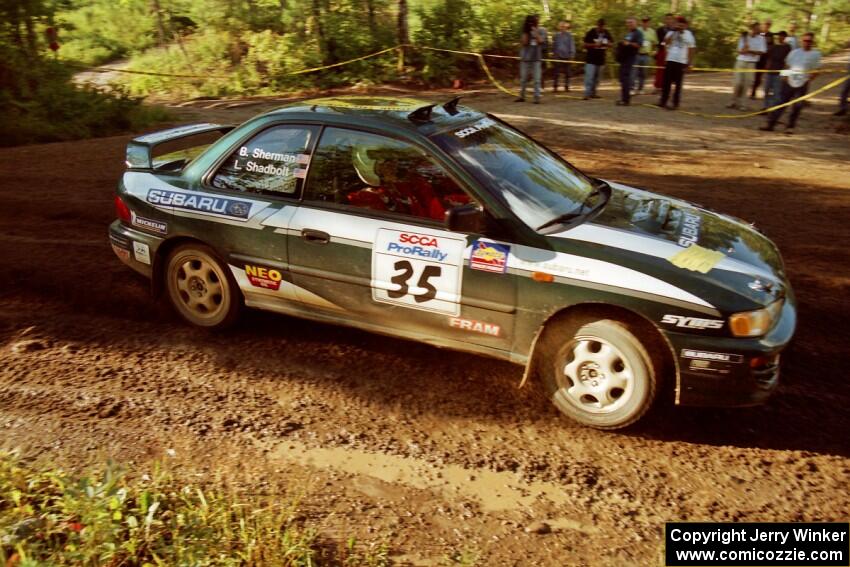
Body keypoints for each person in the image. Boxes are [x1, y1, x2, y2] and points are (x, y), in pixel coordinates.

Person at [761, 32, 821, 133]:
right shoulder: (795, 52)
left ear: (812, 42)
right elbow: (787, 65)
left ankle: (790, 127)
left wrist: (809, 79)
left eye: (809, 41)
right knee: (780, 103)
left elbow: (817, 70)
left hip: (802, 83)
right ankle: (770, 124)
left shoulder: (815, 54)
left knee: (797, 106)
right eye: (805, 40)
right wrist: (784, 76)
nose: (807, 43)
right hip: (789, 81)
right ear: (802, 41)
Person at [658, 16, 695, 110]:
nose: (680, 26)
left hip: (681, 61)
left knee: (678, 84)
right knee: (666, 82)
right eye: (678, 24)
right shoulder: (671, 32)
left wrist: (690, 63)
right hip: (670, 59)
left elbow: (691, 49)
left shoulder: (689, 34)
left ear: (686, 25)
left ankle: (675, 103)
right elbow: (665, 43)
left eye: (682, 24)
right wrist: (674, 31)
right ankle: (663, 101)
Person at [727, 23, 766, 110]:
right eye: (756, 29)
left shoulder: (761, 39)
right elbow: (740, 51)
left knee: (747, 83)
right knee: (737, 83)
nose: (757, 31)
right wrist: (746, 47)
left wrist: (751, 51)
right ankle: (733, 101)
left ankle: (743, 104)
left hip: (752, 63)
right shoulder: (744, 37)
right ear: (751, 28)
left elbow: (762, 51)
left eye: (758, 29)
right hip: (741, 61)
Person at [583, 19, 613, 100]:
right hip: (591, 59)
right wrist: (594, 45)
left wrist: (606, 44)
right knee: (589, 77)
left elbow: (612, 43)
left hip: (601, 59)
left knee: (597, 78)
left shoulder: (606, 33)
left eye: (603, 26)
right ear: (597, 25)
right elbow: (584, 44)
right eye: (600, 26)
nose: (601, 27)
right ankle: (587, 94)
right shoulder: (591, 32)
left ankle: (593, 93)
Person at [616, 17, 643, 106]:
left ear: (636, 23)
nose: (629, 24)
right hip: (624, 57)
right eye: (627, 23)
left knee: (626, 77)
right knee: (622, 78)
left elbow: (639, 45)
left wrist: (629, 44)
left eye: (631, 22)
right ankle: (624, 98)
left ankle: (626, 100)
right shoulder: (629, 33)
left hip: (631, 57)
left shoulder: (638, 33)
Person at [517, 15, 543, 103]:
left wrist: (535, 32)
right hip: (525, 59)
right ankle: (522, 96)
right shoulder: (524, 31)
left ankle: (537, 98)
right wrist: (527, 32)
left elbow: (541, 41)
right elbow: (524, 42)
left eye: (534, 22)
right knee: (523, 79)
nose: (531, 24)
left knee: (536, 79)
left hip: (536, 59)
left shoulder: (541, 30)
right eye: (530, 22)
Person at [763, 31, 790, 108]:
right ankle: (766, 107)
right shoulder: (774, 46)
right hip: (770, 71)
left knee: (777, 92)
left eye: (782, 36)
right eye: (779, 36)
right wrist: (766, 68)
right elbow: (769, 58)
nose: (780, 37)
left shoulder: (787, 47)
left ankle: (773, 108)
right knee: (766, 90)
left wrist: (786, 74)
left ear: (785, 37)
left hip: (779, 72)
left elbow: (788, 61)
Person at [632, 16, 657, 94]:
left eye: (647, 22)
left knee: (643, 73)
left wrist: (653, 51)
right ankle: (632, 88)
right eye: (644, 21)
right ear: (641, 22)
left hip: (646, 55)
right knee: (634, 72)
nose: (645, 23)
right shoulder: (637, 30)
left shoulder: (652, 32)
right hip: (637, 54)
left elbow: (655, 43)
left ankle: (641, 88)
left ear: (649, 23)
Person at [750, 19, 773, 99]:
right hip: (756, 57)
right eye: (766, 23)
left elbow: (771, 47)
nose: (767, 25)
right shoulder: (759, 32)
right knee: (754, 76)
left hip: (764, 58)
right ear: (763, 24)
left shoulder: (770, 35)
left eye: (769, 24)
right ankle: (752, 92)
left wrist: (769, 60)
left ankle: (754, 92)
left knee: (760, 77)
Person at [552, 20, 575, 92]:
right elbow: (554, 45)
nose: (562, 28)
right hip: (558, 55)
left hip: (567, 55)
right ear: (559, 27)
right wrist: (554, 54)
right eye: (561, 26)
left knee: (567, 72)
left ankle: (567, 86)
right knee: (556, 72)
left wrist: (572, 54)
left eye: (563, 26)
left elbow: (572, 45)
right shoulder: (556, 35)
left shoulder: (569, 35)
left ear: (566, 27)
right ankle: (555, 87)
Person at [654, 13, 675, 93]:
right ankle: (658, 86)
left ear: (673, 20)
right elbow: (659, 42)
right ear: (664, 20)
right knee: (660, 69)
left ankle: (666, 86)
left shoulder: (675, 30)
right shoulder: (660, 30)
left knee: (669, 70)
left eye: (670, 19)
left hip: (672, 52)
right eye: (667, 19)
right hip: (662, 51)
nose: (668, 20)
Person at [538, 19, 550, 90]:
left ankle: (541, 85)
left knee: (541, 68)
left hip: (542, 52)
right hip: (534, 52)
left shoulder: (543, 30)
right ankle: (538, 84)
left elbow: (542, 40)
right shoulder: (531, 30)